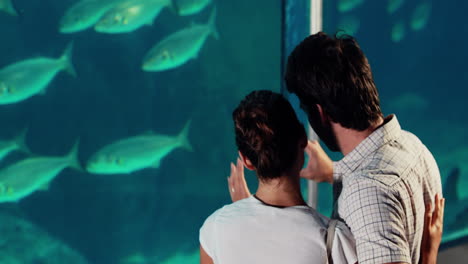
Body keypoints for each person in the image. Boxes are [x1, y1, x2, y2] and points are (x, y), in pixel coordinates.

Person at [228, 32, 443, 264]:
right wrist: (332, 171)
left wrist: (252, 218)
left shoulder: (366, 192)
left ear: (320, 112)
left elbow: (373, 196)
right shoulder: (414, 147)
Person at [200, 90, 358, 264]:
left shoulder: (215, 229)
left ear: (246, 160)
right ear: (303, 139)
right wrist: (333, 175)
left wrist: (243, 210)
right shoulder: (336, 242)